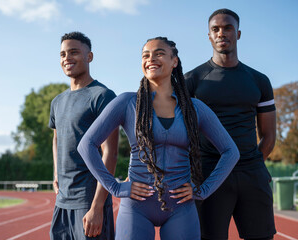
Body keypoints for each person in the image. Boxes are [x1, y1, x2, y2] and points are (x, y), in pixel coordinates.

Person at [77, 37, 239, 240]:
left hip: (181, 207)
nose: (151, 58)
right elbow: (87, 145)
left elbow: (231, 151)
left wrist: (203, 190)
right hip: (136, 206)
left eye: (159, 53)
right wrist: (115, 187)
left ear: (175, 61)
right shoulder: (127, 102)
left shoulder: (194, 108)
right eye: (145, 55)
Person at [185, 8, 277, 240]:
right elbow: (180, 130)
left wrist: (250, 162)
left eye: (227, 28)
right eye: (215, 29)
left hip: (251, 173)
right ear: (209, 36)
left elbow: (268, 135)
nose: (221, 33)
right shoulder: (191, 80)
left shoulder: (259, 80)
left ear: (238, 34)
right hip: (209, 174)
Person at [48, 31, 118, 240]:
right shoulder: (57, 102)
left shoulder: (103, 96)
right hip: (62, 201)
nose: (67, 58)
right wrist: (56, 174)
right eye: (62, 54)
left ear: (89, 56)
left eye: (74, 52)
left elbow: (110, 152)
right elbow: (57, 138)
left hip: (88, 201)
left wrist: (97, 206)